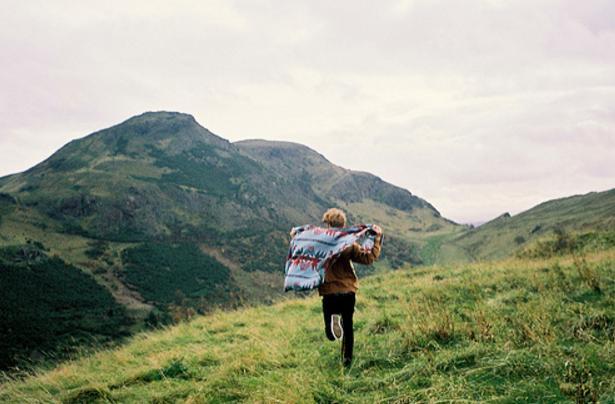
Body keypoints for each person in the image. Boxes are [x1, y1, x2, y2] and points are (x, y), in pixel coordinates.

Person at [318, 207, 382, 367]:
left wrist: (295, 236)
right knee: (348, 326)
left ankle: (332, 321)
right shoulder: (349, 244)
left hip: (330, 292)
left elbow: (303, 253)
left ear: (327, 223)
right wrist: (377, 239)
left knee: (331, 332)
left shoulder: (320, 243)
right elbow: (367, 258)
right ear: (342, 224)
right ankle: (347, 359)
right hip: (348, 291)